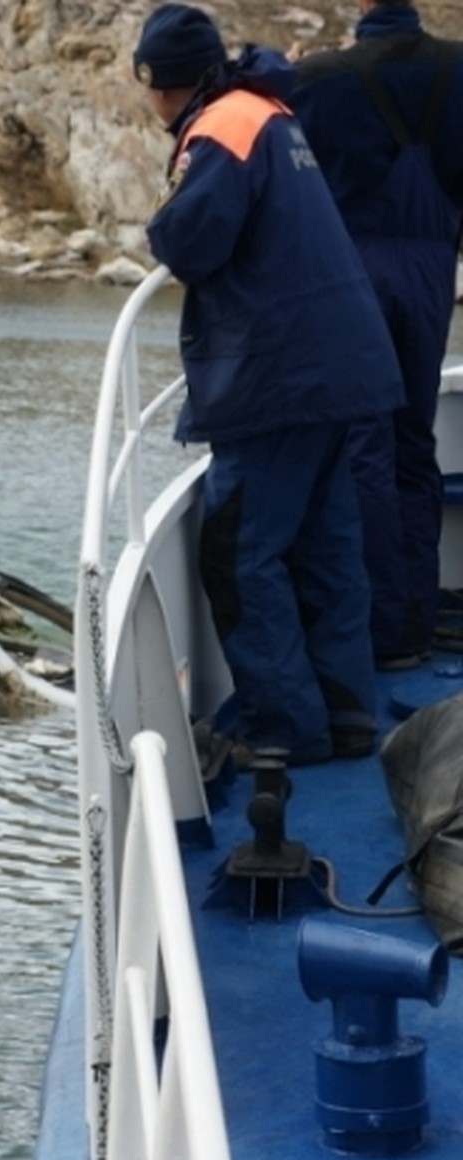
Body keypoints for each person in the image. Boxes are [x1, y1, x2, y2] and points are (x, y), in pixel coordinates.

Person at [131, 4, 405, 763]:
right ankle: (348, 713)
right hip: (337, 365)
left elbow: (190, 240)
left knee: (240, 549)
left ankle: (281, 726)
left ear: (162, 82)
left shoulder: (221, 129)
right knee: (325, 546)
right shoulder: (271, 115)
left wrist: (158, 222)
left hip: (278, 372)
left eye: (148, 83)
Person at [291, 3, 463, 669]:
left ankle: (378, 627)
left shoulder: (324, 77)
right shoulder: (457, 68)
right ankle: (418, 615)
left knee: (363, 443)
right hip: (431, 269)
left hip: (354, 269)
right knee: (413, 441)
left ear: (362, 6)